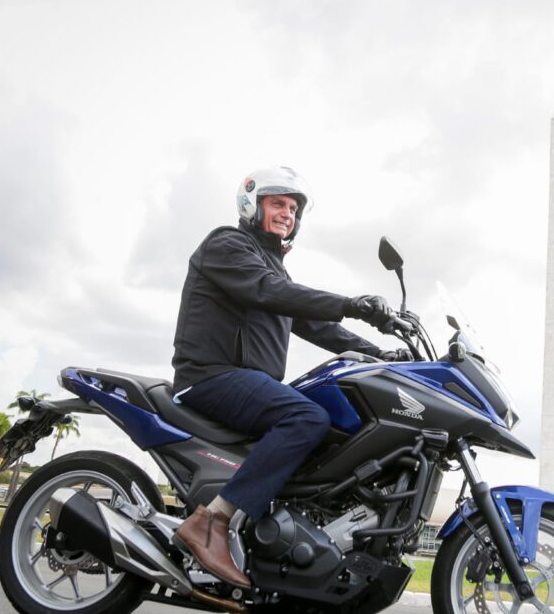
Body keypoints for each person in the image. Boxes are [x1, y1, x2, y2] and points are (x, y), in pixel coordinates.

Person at [169, 166, 408, 588]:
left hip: (247, 382)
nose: (286, 214)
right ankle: (212, 522)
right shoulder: (227, 245)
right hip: (212, 375)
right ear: (252, 204)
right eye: (277, 203)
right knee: (308, 417)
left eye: (293, 208)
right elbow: (268, 291)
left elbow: (318, 326)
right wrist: (353, 303)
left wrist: (383, 352)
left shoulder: (274, 269)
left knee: (332, 422)